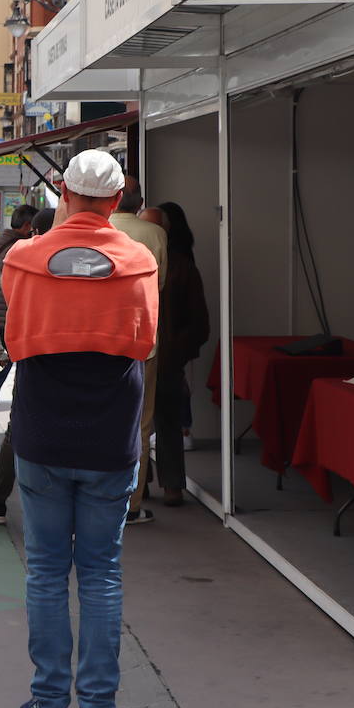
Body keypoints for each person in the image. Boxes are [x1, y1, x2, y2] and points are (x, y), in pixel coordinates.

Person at [2, 150, 158, 708]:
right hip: (110, 432)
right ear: (117, 200)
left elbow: (17, 335)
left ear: (62, 192)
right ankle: (97, 703)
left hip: (41, 426)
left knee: (45, 570)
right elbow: (144, 344)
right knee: (101, 572)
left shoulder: (22, 258)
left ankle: (47, 701)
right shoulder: (139, 260)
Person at [141, 202, 209, 506]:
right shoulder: (153, 264)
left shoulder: (180, 268)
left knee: (154, 423)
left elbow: (199, 323)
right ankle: (153, 486)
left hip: (162, 359)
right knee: (152, 424)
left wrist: (175, 354)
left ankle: (165, 486)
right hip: (145, 356)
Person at [108, 173, 167, 525]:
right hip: (142, 342)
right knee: (140, 426)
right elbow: (160, 285)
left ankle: (96, 499)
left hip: (98, 343)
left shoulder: (99, 229)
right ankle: (131, 503)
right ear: (140, 202)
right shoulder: (155, 235)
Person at [0, 204, 39, 524]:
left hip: (2, 331)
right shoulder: (27, 253)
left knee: (14, 415)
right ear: (31, 228)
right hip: (24, 339)